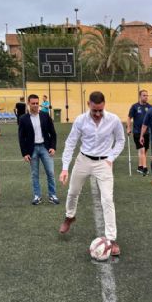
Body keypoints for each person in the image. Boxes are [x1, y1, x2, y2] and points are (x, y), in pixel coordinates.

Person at [58, 91, 125, 257]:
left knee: (108, 199)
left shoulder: (114, 120)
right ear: (89, 104)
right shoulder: (81, 120)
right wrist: (65, 167)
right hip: (83, 160)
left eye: (100, 110)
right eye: (94, 110)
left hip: (103, 163)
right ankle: (69, 216)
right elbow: (70, 142)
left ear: (104, 105)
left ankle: (111, 238)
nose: (97, 114)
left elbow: (121, 140)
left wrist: (111, 158)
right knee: (73, 192)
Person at [18, 94, 59, 205]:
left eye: (37, 103)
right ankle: (37, 196)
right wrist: (25, 153)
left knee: (50, 173)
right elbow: (21, 138)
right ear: (28, 103)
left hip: (45, 148)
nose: (35, 105)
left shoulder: (45, 116)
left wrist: (53, 147)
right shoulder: (23, 119)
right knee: (35, 174)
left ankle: (52, 195)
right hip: (32, 150)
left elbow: (53, 133)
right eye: (33, 103)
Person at [126, 89, 151, 176]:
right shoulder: (135, 107)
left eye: (147, 95)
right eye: (144, 95)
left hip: (147, 132)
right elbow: (129, 118)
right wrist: (128, 128)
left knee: (145, 151)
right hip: (137, 132)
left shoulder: (150, 107)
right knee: (142, 150)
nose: (146, 97)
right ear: (140, 96)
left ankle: (140, 167)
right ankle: (145, 168)